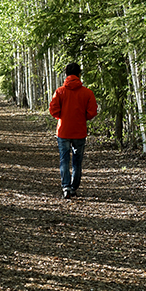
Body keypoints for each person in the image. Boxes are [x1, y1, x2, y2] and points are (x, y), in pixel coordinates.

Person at [49, 63, 98, 199]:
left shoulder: (59, 92)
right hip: (79, 131)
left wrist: (62, 116)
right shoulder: (87, 93)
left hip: (63, 131)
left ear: (66, 74)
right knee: (77, 160)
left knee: (64, 159)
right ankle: (73, 187)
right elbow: (92, 111)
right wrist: (82, 118)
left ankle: (66, 187)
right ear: (79, 74)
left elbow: (53, 109)